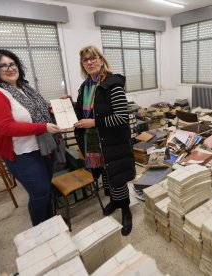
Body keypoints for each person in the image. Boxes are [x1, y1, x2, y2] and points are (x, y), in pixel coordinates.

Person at [0, 49, 63, 226]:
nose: (9, 68)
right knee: (39, 193)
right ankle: (41, 231)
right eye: (3, 65)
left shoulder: (24, 87)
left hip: (42, 147)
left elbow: (38, 111)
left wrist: (54, 108)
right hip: (21, 154)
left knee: (46, 190)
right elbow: (5, 127)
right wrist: (44, 127)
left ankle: (51, 225)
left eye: (12, 64)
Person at [73, 45, 135, 236]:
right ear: (82, 64)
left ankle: (125, 210)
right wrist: (68, 104)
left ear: (101, 60)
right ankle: (114, 202)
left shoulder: (112, 84)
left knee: (117, 177)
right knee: (107, 174)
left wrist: (94, 123)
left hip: (113, 141)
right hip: (95, 141)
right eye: (85, 60)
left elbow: (121, 117)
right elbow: (86, 112)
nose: (90, 62)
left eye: (93, 58)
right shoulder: (85, 87)